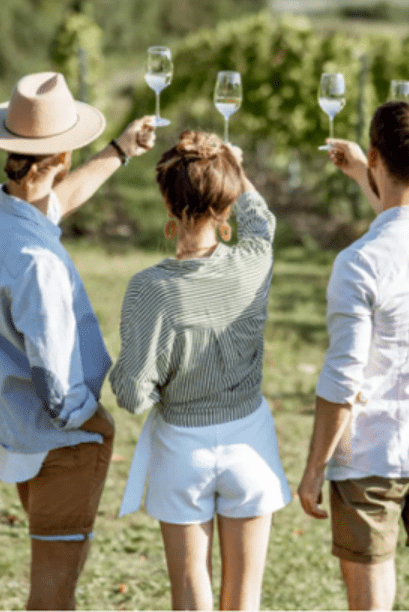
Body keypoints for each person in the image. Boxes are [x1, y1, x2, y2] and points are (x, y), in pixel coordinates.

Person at [298, 101, 409, 611]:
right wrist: (366, 174)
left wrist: (314, 468)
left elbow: (342, 379)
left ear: (375, 153)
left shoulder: (357, 264)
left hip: (369, 459)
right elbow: (407, 223)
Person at [110, 130, 292, 611]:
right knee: (244, 598)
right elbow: (263, 220)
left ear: (167, 207)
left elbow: (133, 395)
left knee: (190, 595)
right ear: (226, 206)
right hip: (250, 445)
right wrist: (233, 162)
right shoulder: (254, 262)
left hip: (180, 453)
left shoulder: (150, 289)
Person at [0, 71, 155, 610]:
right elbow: (52, 371)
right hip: (61, 438)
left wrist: (119, 150)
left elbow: (60, 199)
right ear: (60, 157)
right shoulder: (37, 263)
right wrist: (91, 420)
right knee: (53, 592)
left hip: (17, 428)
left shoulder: (6, 215)